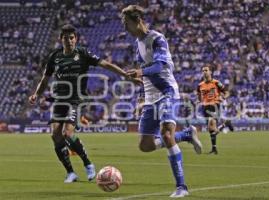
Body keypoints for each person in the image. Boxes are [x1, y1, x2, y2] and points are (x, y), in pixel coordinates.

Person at [28, 24, 138, 183]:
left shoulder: (83, 53)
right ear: (61, 40)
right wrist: (36, 94)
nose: (69, 41)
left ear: (76, 39)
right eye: (66, 38)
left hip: (76, 99)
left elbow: (105, 64)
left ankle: (88, 164)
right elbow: (45, 78)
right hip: (59, 100)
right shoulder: (55, 56)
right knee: (55, 135)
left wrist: (124, 75)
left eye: (71, 38)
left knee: (67, 133)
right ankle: (71, 173)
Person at [122, 5, 202, 198]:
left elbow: (159, 66)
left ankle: (182, 187)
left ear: (137, 21)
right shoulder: (137, 45)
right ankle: (186, 135)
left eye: (126, 23)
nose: (125, 28)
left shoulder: (157, 39)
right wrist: (142, 98)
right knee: (145, 146)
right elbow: (145, 77)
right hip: (150, 98)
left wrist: (140, 72)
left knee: (167, 135)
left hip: (167, 92)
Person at [197, 64, 234, 155]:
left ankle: (225, 124)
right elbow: (198, 95)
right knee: (211, 130)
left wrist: (223, 97)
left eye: (206, 70)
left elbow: (226, 92)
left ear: (210, 72)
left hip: (214, 105)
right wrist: (200, 101)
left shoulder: (216, 83)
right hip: (205, 107)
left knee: (211, 126)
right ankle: (214, 148)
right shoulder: (200, 85)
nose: (204, 72)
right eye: (203, 71)